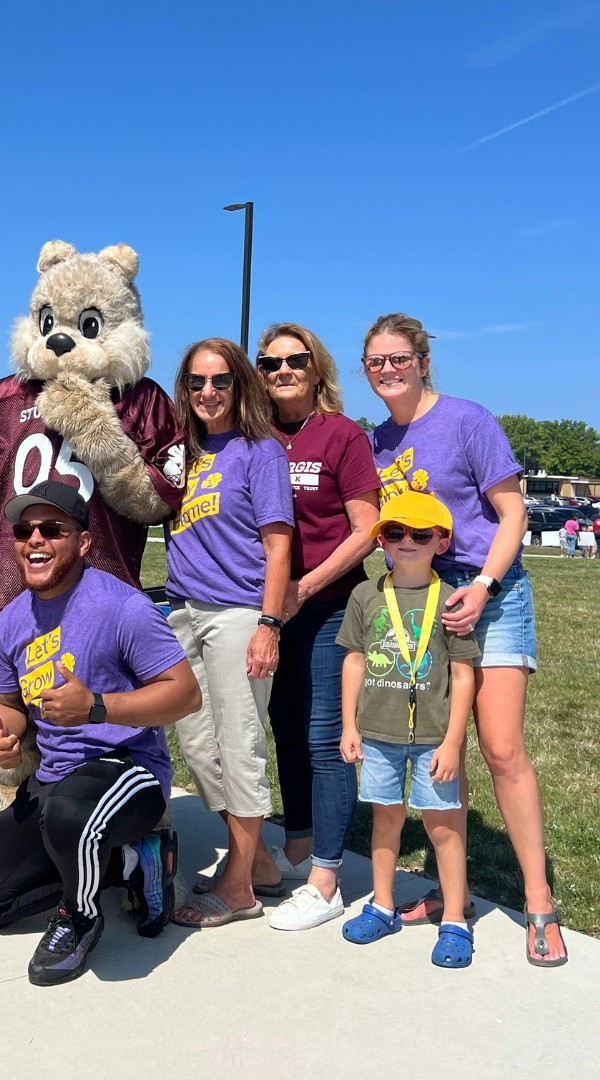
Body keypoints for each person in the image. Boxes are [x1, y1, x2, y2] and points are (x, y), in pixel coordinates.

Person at [364, 312, 567, 966]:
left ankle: (540, 903)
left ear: (422, 361)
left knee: (502, 748)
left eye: (398, 358)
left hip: (492, 593)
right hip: (422, 600)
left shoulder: (468, 420)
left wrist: (481, 585)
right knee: (436, 746)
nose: (387, 370)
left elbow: (513, 513)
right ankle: (460, 898)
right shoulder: (377, 442)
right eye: (375, 361)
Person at [0, 481, 200, 985]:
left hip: (128, 771)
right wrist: (4, 729)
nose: (35, 540)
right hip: (57, 777)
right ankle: (137, 863)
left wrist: (95, 707)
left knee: (71, 815)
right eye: (24, 530)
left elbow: (185, 695)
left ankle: (80, 916)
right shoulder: (13, 621)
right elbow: (9, 703)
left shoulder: (123, 608)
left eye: (52, 529)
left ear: (84, 543)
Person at [252, 323, 381, 932]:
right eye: (270, 363)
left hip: (329, 606)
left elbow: (366, 527)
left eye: (294, 361)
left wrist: (307, 585)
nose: (282, 371)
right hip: (274, 608)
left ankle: (327, 879)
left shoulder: (341, 434)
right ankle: (300, 844)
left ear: (317, 367)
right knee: (286, 728)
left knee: (326, 735)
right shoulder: (256, 435)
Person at [163, 337, 294, 928]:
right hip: (184, 611)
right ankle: (260, 862)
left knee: (239, 744)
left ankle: (239, 887)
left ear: (241, 385)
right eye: (196, 383)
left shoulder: (259, 451)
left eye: (220, 381)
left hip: (239, 613)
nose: (208, 393)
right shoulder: (183, 452)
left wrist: (268, 624)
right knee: (196, 744)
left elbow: (278, 543)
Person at [338, 491, 479, 967]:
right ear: (382, 541)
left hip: (434, 739)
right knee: (385, 819)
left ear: (441, 542)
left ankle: (455, 920)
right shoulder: (366, 595)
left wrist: (455, 741)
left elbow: (464, 675)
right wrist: (348, 726)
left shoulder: (452, 599)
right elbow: (354, 660)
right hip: (377, 732)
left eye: (421, 534)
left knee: (442, 828)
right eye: (395, 532)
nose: (407, 542)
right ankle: (381, 905)